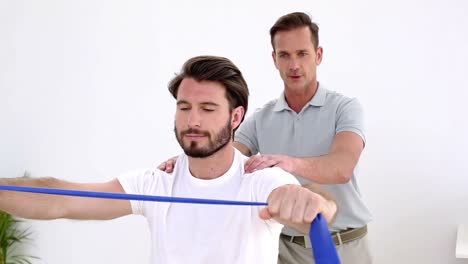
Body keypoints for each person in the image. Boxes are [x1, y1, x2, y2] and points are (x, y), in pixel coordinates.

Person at [0, 55, 337, 264]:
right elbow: (61, 199)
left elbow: (319, 207)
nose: (193, 121)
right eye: (184, 107)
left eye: (207, 109)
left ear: (236, 118)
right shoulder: (156, 183)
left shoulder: (260, 179)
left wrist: (312, 201)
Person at [158, 13, 373, 264]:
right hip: (285, 250)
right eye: (284, 55)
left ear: (319, 55)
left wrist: (288, 163)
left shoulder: (345, 108)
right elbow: (224, 154)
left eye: (302, 53)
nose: (294, 65)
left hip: (342, 246)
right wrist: (187, 160)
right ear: (275, 59)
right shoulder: (262, 118)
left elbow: (342, 168)